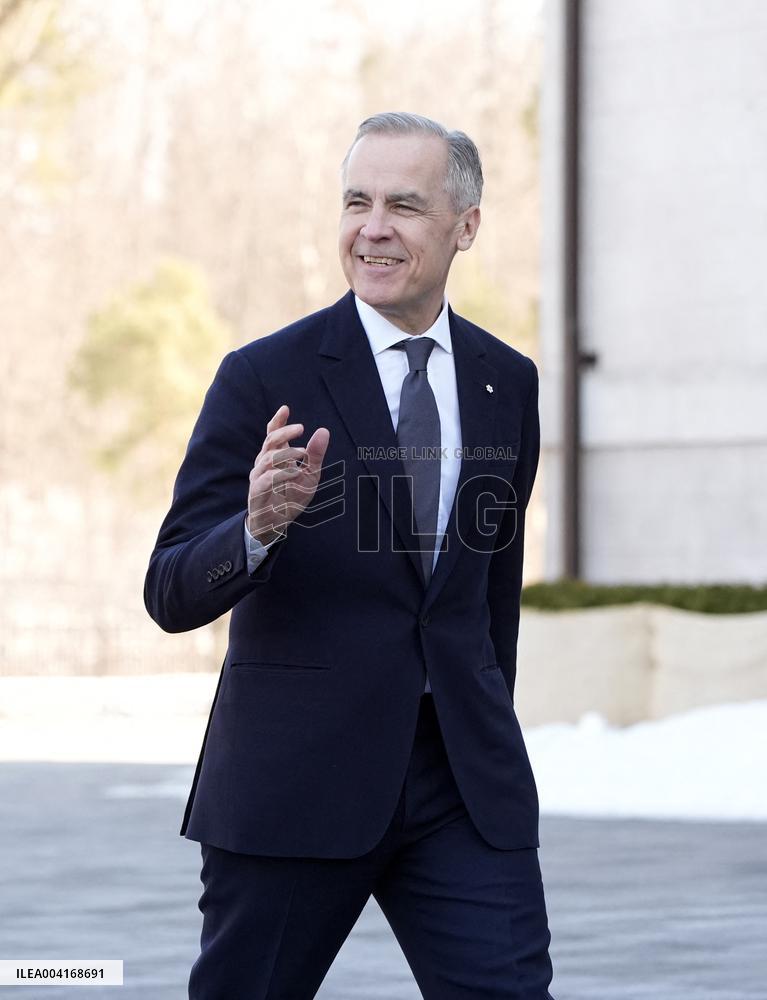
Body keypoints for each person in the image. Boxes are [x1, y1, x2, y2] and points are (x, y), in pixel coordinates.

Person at [144, 111, 555, 1000]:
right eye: (356, 201)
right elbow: (170, 588)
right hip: (296, 786)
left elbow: (490, 598)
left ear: (466, 226)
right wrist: (252, 530)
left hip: (461, 788)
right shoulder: (264, 377)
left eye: (404, 205)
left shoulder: (505, 382)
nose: (372, 227)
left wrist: (488, 732)